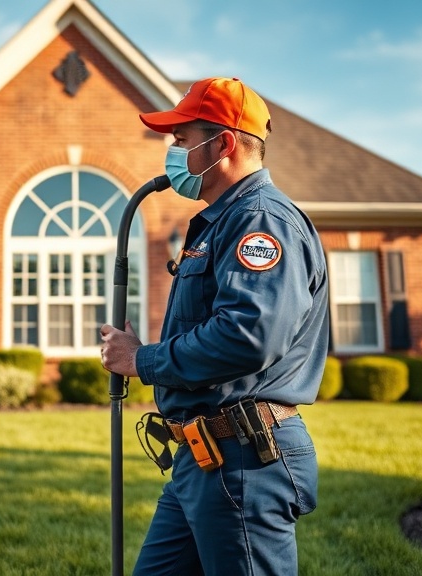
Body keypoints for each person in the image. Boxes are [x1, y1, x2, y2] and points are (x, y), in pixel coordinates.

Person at [100, 77, 330, 575]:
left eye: (182, 140)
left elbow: (248, 336)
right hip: (201, 462)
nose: (173, 151)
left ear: (222, 144)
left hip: (244, 461)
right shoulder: (220, 223)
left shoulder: (261, 222)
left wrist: (142, 360)